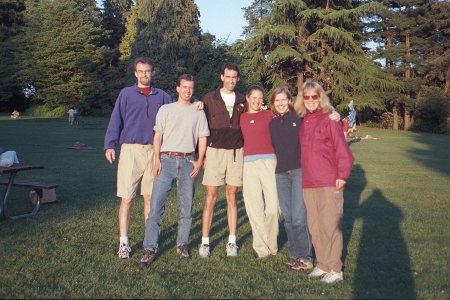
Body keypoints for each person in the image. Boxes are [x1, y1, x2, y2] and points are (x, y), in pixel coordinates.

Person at [104, 57, 173, 260]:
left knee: (150, 199)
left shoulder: (163, 96)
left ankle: (149, 243)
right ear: (135, 73)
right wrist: (109, 144)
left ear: (152, 73)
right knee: (127, 198)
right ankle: (124, 243)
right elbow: (116, 119)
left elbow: (180, 109)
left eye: (148, 71)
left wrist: (197, 105)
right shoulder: (126, 94)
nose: (144, 74)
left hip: (154, 152)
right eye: (141, 71)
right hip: (131, 150)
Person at [139, 74, 209, 267]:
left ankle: (182, 245)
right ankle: (150, 248)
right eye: (184, 87)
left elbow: (203, 137)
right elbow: (157, 136)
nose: (187, 91)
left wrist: (199, 160)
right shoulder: (166, 109)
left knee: (186, 209)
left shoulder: (198, 111)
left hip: (188, 162)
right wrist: (157, 160)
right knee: (155, 208)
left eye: (191, 88)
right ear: (177, 88)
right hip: (166, 160)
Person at [294, 80, 354, 284]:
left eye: (314, 96)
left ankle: (336, 268)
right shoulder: (304, 121)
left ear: (320, 97)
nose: (310, 100)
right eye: (306, 96)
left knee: (330, 224)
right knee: (315, 226)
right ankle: (323, 264)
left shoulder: (330, 119)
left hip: (329, 181)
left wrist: (342, 175)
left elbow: (343, 151)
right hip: (309, 182)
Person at [199, 62, 246, 257]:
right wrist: (200, 156)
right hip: (214, 152)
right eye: (228, 76)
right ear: (221, 77)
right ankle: (205, 242)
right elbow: (200, 128)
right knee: (210, 197)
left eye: (234, 77)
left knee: (231, 196)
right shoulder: (209, 99)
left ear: (238, 79)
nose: (231, 80)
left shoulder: (244, 99)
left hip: (236, 153)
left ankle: (232, 242)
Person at [268, 86, 314, 270]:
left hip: (298, 171)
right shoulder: (272, 123)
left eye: (283, 100)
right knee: (288, 217)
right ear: (273, 103)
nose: (280, 103)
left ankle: (306, 258)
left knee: (299, 217)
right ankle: (295, 255)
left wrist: (334, 113)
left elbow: (320, 113)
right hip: (281, 173)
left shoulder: (300, 119)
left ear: (289, 101)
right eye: (276, 100)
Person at [240, 85, 279, 259]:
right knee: (254, 207)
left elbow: (293, 113)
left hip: (269, 162)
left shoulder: (269, 115)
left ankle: (272, 244)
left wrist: (334, 114)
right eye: (253, 97)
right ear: (247, 98)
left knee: (272, 208)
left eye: (260, 98)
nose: (257, 101)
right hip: (248, 164)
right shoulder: (240, 118)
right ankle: (261, 248)